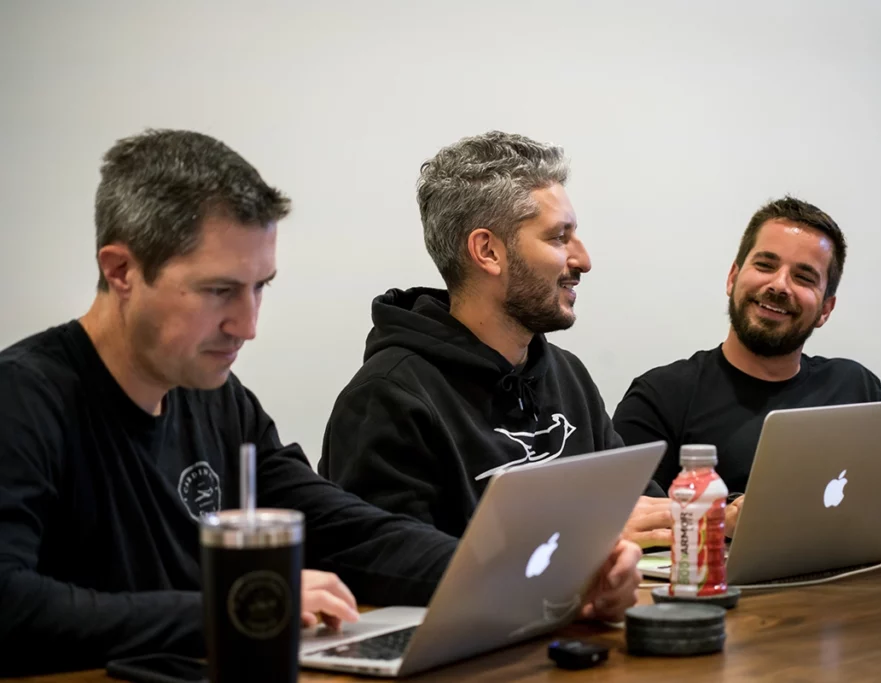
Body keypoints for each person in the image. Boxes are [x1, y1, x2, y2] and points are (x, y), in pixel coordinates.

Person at [0, 129, 642, 676]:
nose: (247, 326)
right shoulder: (24, 400)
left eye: (259, 288)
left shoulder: (217, 399)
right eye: (219, 291)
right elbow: (10, 603)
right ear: (121, 271)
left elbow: (348, 530)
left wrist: (546, 579)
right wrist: (233, 608)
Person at [319, 131, 671, 548]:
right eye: (559, 237)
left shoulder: (567, 375)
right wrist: (584, 537)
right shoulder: (387, 400)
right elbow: (398, 566)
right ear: (487, 252)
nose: (583, 260)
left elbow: (642, 515)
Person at [613, 196, 881, 537]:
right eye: (765, 265)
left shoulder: (856, 386)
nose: (779, 285)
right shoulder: (660, 396)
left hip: (861, 574)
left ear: (826, 309)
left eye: (804, 277)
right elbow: (624, 525)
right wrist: (721, 521)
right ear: (732, 278)